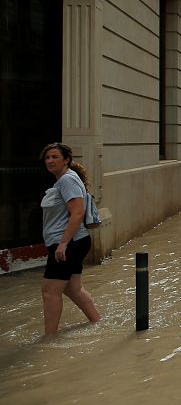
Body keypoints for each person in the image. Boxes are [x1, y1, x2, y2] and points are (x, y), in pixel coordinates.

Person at [40, 142, 101, 335]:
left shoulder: (67, 180)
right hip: (72, 242)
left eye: (55, 157)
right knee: (73, 289)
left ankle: (49, 339)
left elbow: (77, 213)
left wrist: (63, 244)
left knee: (50, 291)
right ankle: (98, 323)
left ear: (66, 160)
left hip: (69, 243)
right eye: (47, 157)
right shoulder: (64, 180)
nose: (50, 160)